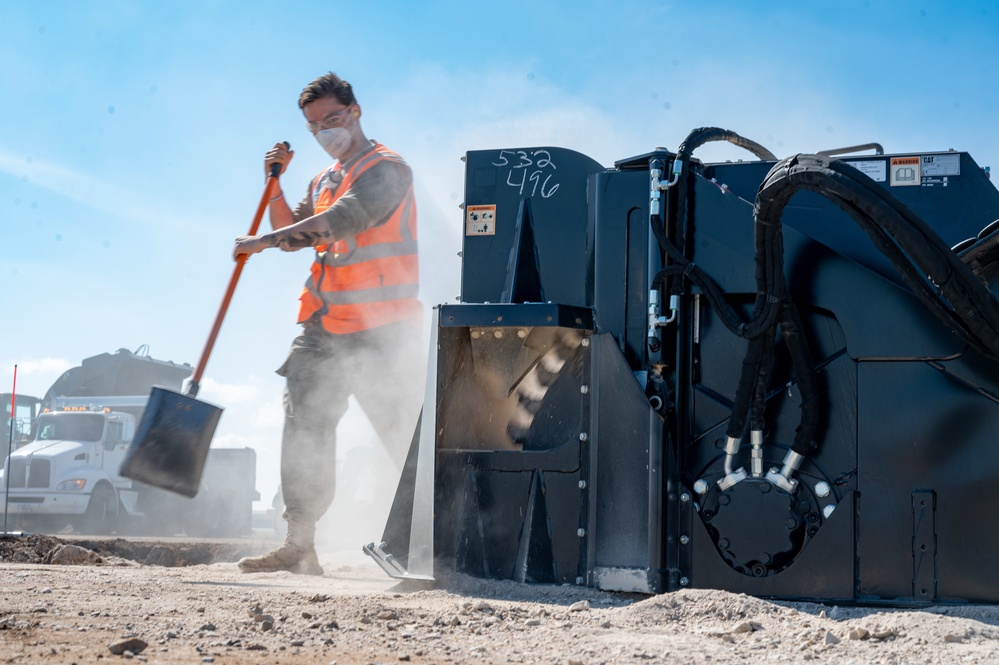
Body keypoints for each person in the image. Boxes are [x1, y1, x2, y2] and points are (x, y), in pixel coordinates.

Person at [234, 72, 423, 576]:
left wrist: (263, 244)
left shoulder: (387, 169)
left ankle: (438, 540)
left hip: (381, 330)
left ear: (356, 112)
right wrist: (274, 180)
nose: (324, 131)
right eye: (314, 125)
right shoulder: (322, 180)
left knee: (405, 435)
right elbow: (289, 231)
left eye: (332, 120)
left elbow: (340, 221)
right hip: (324, 326)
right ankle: (299, 546)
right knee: (304, 428)